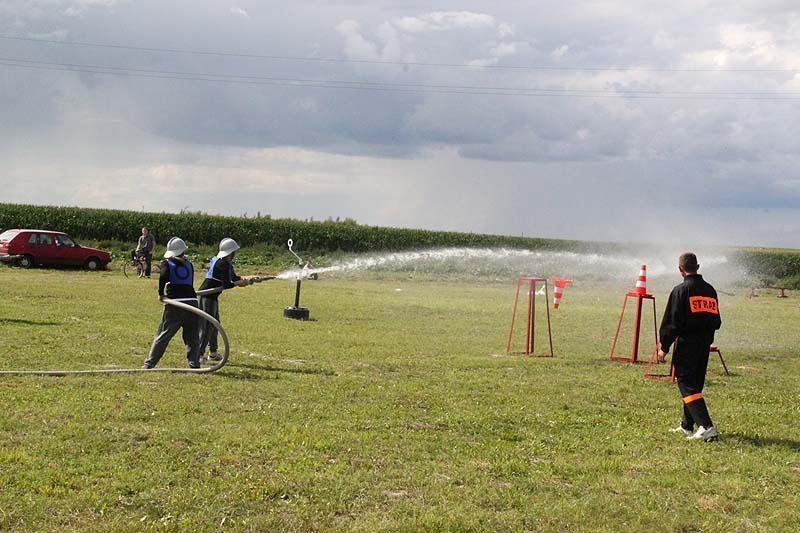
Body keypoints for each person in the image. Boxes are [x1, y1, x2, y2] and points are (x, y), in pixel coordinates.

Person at [657, 252, 722, 441]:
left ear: (680, 269)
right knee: (695, 384)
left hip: (687, 345)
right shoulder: (710, 290)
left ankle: (706, 426)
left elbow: (672, 322)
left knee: (687, 384)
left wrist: (664, 346)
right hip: (704, 345)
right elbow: (716, 321)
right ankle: (687, 425)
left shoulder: (680, 291)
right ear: (698, 267)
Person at [142, 237, 201, 369]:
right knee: (192, 336)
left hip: (175, 303)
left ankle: (149, 363)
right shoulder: (189, 264)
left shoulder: (167, 263)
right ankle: (194, 363)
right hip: (192, 303)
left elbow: (163, 277)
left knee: (164, 334)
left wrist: (160, 294)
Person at [197, 238, 255, 363]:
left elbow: (232, 277)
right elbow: (227, 284)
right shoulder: (222, 263)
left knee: (215, 324)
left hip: (213, 297)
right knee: (207, 326)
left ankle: (212, 353)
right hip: (207, 297)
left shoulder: (224, 262)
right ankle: (199, 355)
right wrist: (238, 283)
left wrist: (247, 278)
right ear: (231, 252)